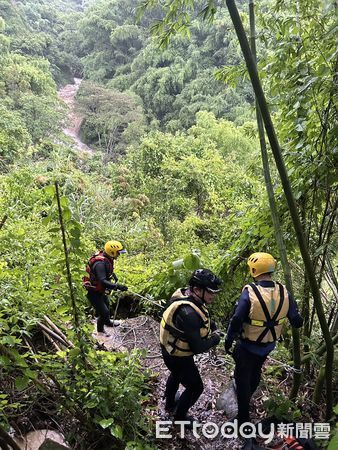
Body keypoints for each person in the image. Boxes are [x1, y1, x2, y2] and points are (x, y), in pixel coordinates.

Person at [224, 252, 303, 426]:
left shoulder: (250, 292)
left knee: (242, 376)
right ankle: (245, 400)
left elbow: (237, 319)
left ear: (254, 270)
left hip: (247, 346)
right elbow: (297, 321)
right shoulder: (284, 292)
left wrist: (228, 339)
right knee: (256, 371)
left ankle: (243, 417)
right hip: (267, 346)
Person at [160, 268, 223, 424]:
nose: (213, 296)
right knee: (196, 387)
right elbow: (199, 348)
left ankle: (169, 404)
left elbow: (200, 320)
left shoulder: (184, 296)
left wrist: (212, 326)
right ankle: (179, 417)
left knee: (175, 374)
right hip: (178, 356)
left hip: (169, 349)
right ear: (196, 289)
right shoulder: (188, 313)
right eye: (210, 292)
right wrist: (215, 338)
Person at [83, 240, 128, 334]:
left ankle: (108, 322)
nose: (119, 255)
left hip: (100, 291)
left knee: (106, 304)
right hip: (93, 292)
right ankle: (100, 331)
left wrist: (113, 275)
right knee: (104, 312)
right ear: (112, 252)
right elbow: (102, 281)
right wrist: (117, 286)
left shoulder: (106, 258)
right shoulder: (100, 264)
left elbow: (105, 271)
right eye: (118, 253)